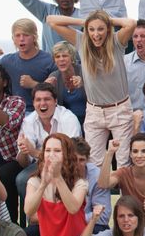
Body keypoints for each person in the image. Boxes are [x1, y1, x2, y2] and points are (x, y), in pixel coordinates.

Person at [47, 10, 137, 167]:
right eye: (92, 29)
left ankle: (126, 193)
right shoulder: (82, 41)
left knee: (124, 162)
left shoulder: (116, 42)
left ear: (108, 29)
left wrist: (104, 20)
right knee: (94, 164)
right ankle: (98, 193)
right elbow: (51, 20)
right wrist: (85, 22)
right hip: (94, 111)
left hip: (119, 110)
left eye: (100, 29)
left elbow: (131, 23)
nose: (96, 34)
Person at [15, 82, 81, 225]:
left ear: (55, 101)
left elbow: (70, 155)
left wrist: (33, 151)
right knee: (22, 179)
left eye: (47, 99)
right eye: (38, 100)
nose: (42, 103)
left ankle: (62, 217)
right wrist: (23, 151)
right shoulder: (29, 121)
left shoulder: (68, 118)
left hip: (68, 163)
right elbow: (23, 163)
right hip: (40, 165)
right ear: (33, 102)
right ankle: (35, 219)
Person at [98, 134, 145, 225]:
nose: (139, 155)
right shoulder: (123, 173)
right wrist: (110, 153)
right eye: (135, 151)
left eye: (144, 151)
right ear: (130, 154)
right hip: (128, 227)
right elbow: (103, 184)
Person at [0, 19, 56, 112]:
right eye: (17, 35)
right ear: (13, 39)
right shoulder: (6, 61)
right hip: (13, 113)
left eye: (26, 35)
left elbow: (58, 93)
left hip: (42, 112)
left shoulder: (49, 60)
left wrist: (34, 84)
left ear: (34, 37)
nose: (21, 39)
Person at [0, 64, 26, 223]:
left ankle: (11, 227)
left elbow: (8, 123)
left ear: (4, 83)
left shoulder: (16, 101)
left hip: (12, 159)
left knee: (2, 176)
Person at [45, 41, 87, 127]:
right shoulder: (54, 76)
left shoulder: (84, 71)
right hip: (67, 123)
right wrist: (45, 88)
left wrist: (84, 84)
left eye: (64, 56)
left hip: (89, 120)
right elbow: (48, 103)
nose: (61, 59)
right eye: (57, 57)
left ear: (72, 58)